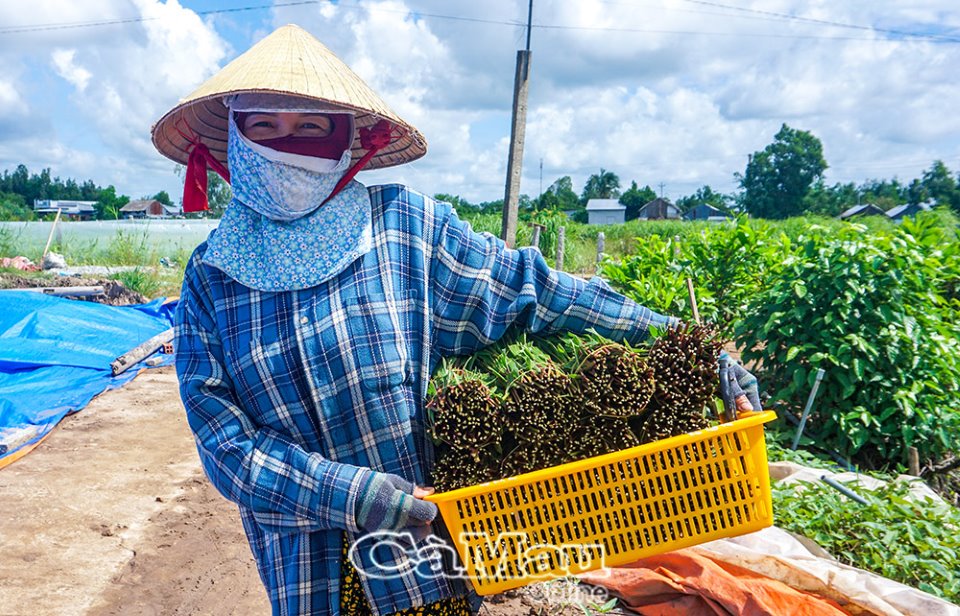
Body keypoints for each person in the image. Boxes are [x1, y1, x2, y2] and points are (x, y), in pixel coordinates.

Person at [152, 24, 760, 616]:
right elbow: (226, 446)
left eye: (310, 126)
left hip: (427, 562)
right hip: (310, 571)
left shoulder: (407, 229)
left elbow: (534, 290)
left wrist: (685, 344)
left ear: (345, 139)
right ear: (234, 139)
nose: (286, 145)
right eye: (264, 126)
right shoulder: (213, 277)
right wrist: (355, 494)